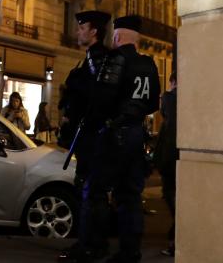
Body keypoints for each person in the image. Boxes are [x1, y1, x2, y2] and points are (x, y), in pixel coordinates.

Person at [77, 15, 160, 263]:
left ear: (117, 36)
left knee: (96, 192)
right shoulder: (149, 64)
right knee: (131, 196)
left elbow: (102, 99)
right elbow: (152, 102)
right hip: (136, 135)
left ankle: (94, 247)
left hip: (113, 135)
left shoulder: (116, 59)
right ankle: (129, 252)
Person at [56, 9, 111, 262]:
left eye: (82, 27)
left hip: (94, 138)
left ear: (94, 32)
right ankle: (91, 243)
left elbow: (95, 99)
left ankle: (90, 245)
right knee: (89, 191)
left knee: (91, 191)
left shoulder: (99, 61)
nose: (78, 31)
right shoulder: (88, 61)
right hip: (89, 137)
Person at [154, 70, 178, 257]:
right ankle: (175, 236)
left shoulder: (170, 98)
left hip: (170, 157)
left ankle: (176, 238)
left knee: (171, 195)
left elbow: (165, 109)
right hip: (178, 156)